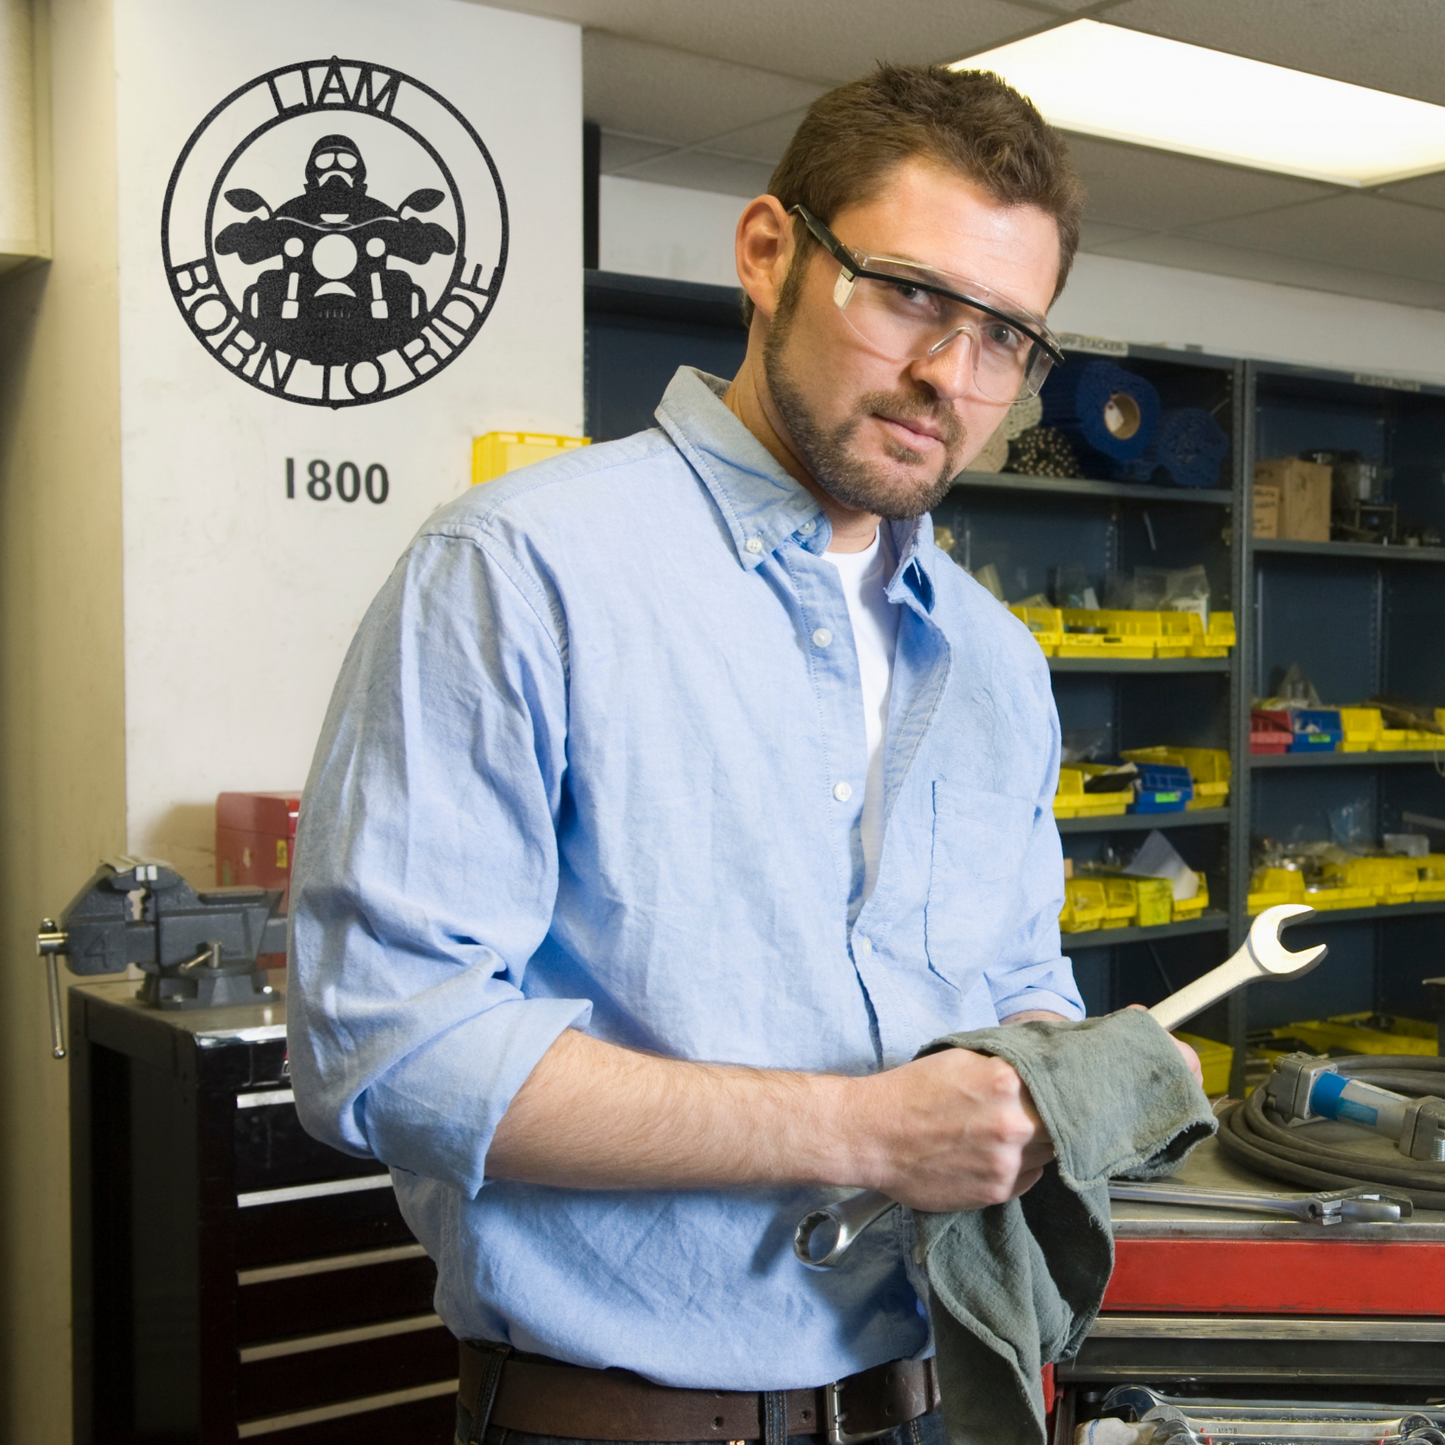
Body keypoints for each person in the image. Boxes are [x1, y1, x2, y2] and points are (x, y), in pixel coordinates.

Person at [288, 62, 1200, 1445]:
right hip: (616, 1419)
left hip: (935, 1404)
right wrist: (871, 1130)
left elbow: (1018, 980)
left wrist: (1046, 1073)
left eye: (1006, 335)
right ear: (770, 254)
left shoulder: (997, 659)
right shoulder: (522, 569)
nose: (949, 376)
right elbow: (387, 1052)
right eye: (909, 294)